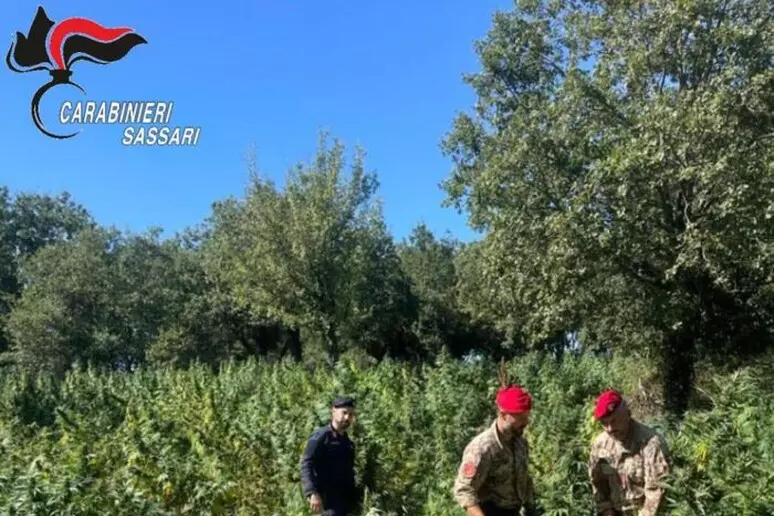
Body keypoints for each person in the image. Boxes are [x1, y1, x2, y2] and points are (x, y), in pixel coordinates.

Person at [453, 385, 540, 516]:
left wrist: (531, 508)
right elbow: (464, 490)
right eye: (521, 418)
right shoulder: (482, 448)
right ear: (503, 415)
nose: (526, 422)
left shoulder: (520, 443)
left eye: (527, 417)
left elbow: (525, 480)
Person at [588, 390, 671, 516]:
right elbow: (597, 485)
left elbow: (656, 493)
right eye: (604, 423)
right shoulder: (600, 445)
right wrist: (607, 510)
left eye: (614, 421)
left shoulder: (650, 443)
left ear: (627, 414)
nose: (610, 429)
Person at [300, 396, 358, 515]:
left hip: (343, 502)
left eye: (351, 414)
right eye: (344, 413)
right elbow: (306, 464)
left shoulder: (347, 442)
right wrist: (312, 493)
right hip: (325, 502)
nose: (347, 417)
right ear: (333, 412)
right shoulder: (321, 437)